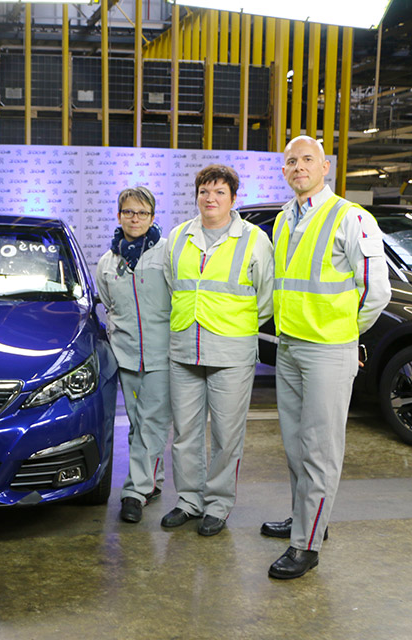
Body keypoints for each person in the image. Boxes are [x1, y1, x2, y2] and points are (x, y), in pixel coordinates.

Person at [263, 136, 391, 579]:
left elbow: (377, 291)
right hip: (291, 349)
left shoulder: (350, 216)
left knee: (320, 449)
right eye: (291, 161)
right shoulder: (283, 219)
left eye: (307, 160)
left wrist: (344, 335)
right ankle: (306, 517)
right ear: (284, 171)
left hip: (327, 351)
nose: (299, 166)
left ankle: (306, 544)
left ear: (325, 167)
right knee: (297, 445)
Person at [161, 164, 274, 536]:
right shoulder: (178, 237)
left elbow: (266, 298)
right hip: (184, 349)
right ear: (196, 196)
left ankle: (218, 504)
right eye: (204, 192)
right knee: (185, 433)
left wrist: (230, 324)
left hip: (231, 353)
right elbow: (170, 286)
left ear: (233, 198)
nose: (210, 199)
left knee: (226, 435)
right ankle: (189, 500)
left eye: (219, 192)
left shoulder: (254, 239)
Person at [95, 186, 171, 524]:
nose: (135, 218)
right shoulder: (108, 262)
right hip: (125, 355)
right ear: (118, 216)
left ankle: (134, 491)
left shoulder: (167, 254)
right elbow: (108, 304)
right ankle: (153, 480)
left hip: (161, 354)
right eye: (128, 212)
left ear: (153, 217)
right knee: (141, 423)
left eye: (141, 213)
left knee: (150, 422)